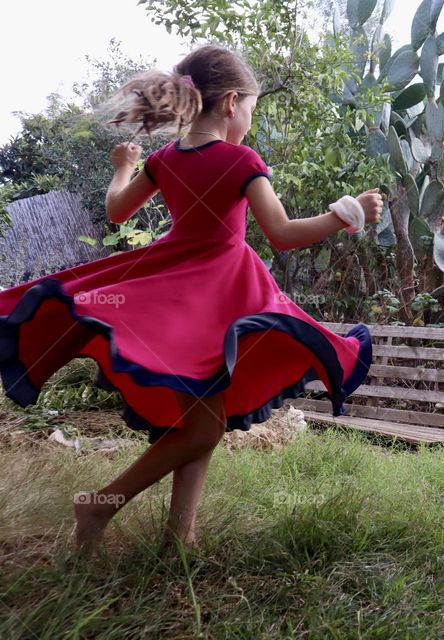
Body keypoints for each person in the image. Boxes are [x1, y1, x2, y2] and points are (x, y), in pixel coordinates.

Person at [0, 44, 382, 555]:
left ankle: (179, 537)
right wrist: (346, 213)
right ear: (229, 103)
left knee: (203, 419)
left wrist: (122, 166)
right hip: (214, 295)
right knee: (204, 430)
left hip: (178, 295)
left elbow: (117, 212)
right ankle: (99, 504)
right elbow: (284, 233)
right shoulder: (241, 159)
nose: (250, 117)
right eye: (251, 106)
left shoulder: (163, 159)